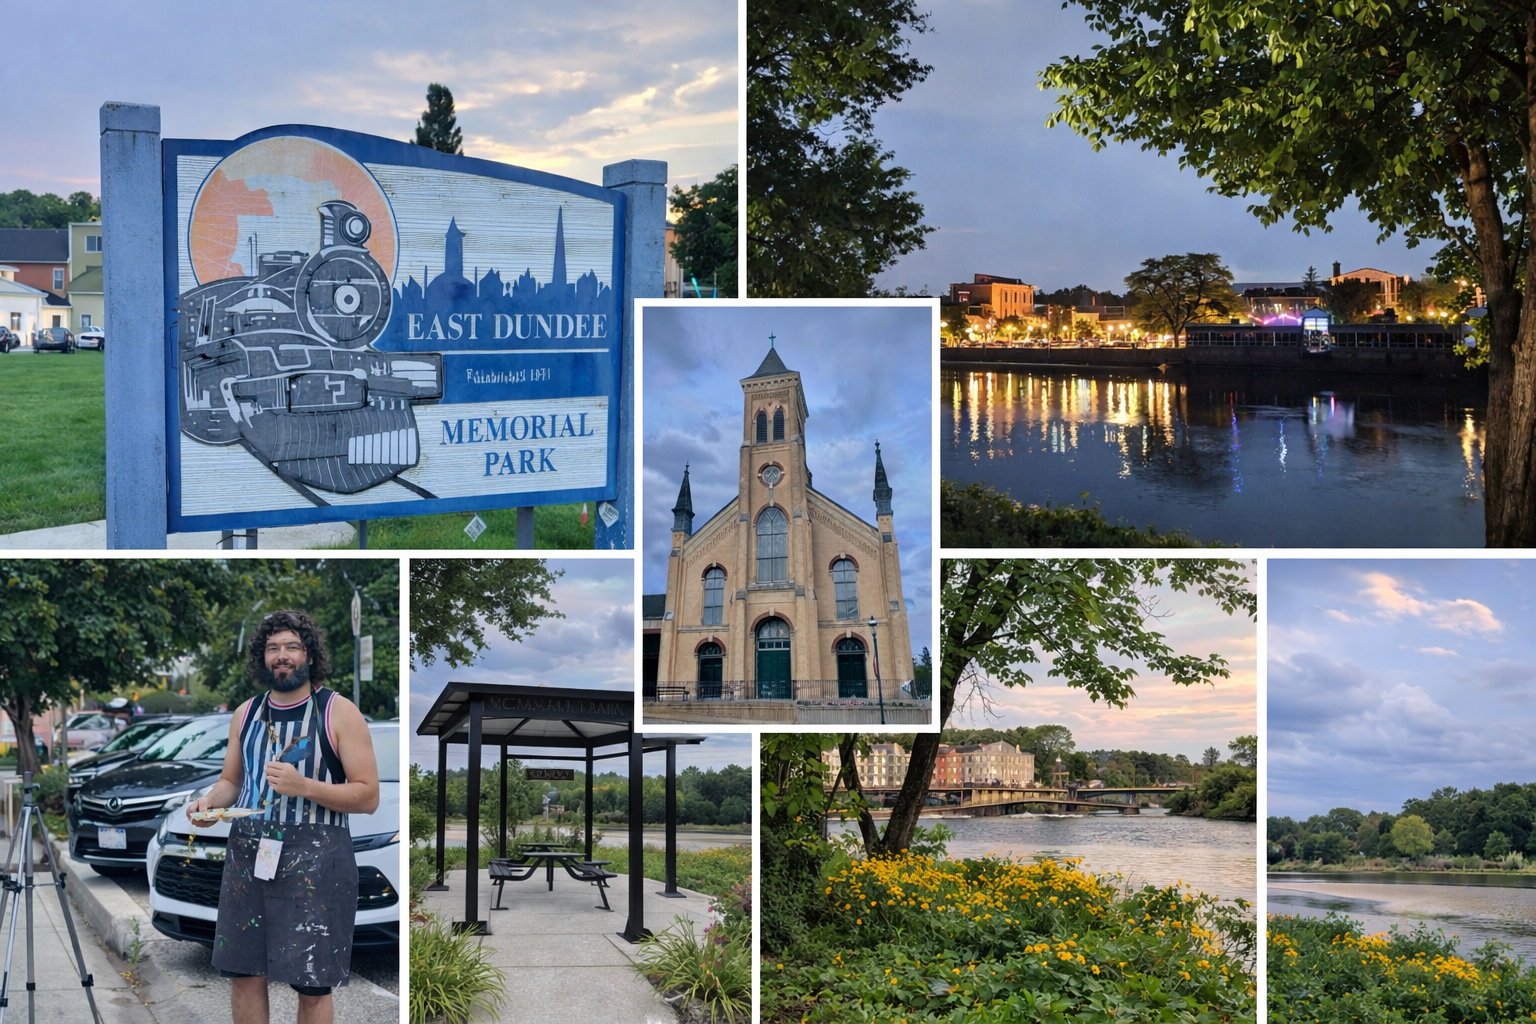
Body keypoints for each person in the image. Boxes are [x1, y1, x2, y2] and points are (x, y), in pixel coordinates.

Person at [189, 610, 379, 1024]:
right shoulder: (247, 713)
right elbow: (229, 782)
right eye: (273, 648)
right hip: (247, 855)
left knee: (312, 982)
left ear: (309, 655)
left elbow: (368, 797)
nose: (282, 656)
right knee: (244, 973)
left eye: (292, 646)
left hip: (318, 860)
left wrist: (304, 786)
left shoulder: (339, 711)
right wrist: (208, 804)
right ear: (262, 657)